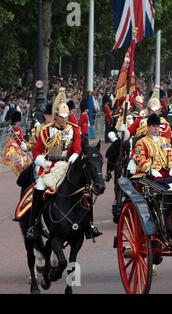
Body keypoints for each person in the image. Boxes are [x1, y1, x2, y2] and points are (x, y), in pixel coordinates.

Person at [26, 88, 100, 239]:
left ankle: (90, 225)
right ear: (56, 116)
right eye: (61, 117)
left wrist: (72, 159)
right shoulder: (46, 130)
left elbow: (78, 148)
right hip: (50, 166)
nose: (64, 119)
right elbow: (37, 151)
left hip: (68, 165)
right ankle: (34, 225)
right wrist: (44, 162)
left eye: (66, 117)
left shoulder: (74, 129)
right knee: (39, 187)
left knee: (87, 188)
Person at [134, 114, 172, 182]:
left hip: (166, 171)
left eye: (158, 126)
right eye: (154, 126)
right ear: (148, 127)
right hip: (149, 173)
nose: (156, 128)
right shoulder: (141, 142)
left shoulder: (164, 140)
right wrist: (150, 170)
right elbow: (140, 159)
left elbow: (170, 154)